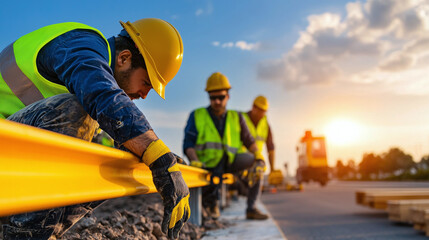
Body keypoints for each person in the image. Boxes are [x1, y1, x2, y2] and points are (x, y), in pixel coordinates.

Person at [0, 18, 190, 239]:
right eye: (146, 82)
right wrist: (159, 157)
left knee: (118, 152)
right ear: (124, 58)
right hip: (7, 148)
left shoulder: (89, 69)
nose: (144, 94)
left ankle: (45, 233)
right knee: (74, 109)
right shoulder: (79, 44)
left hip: (13, 151)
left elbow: (109, 120)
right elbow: (103, 96)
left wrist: (143, 151)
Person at [183, 72, 268, 220]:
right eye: (213, 97)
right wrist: (194, 159)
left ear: (228, 96)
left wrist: (259, 157)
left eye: (221, 97)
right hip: (205, 164)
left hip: (230, 161)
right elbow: (188, 143)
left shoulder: (236, 117)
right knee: (214, 173)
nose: (217, 101)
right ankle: (211, 204)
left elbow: (249, 141)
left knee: (256, 165)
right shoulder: (197, 115)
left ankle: (251, 208)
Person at [242, 95, 276, 176]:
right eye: (260, 110)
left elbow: (270, 147)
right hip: (241, 158)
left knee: (259, 169)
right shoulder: (242, 119)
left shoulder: (265, 125)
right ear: (253, 107)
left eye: (264, 111)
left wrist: (272, 169)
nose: (262, 113)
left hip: (256, 160)